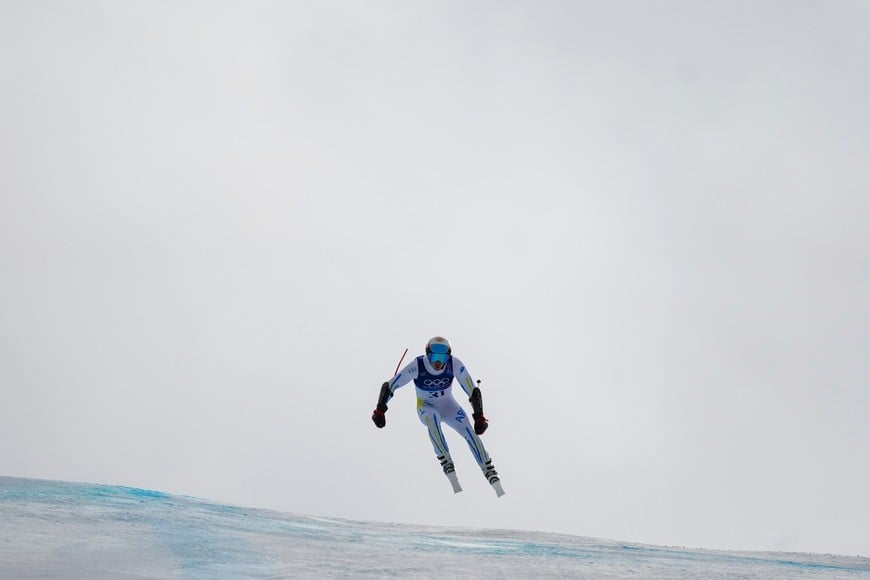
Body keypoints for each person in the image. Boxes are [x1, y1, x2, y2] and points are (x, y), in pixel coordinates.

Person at [371, 336, 505, 497]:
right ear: (427, 355)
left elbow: (472, 390)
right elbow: (390, 385)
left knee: (469, 430)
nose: (438, 362)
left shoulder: (454, 364)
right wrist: (380, 410)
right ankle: (447, 463)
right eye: (434, 357)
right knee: (433, 419)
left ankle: (489, 471)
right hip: (426, 407)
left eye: (443, 358)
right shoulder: (417, 365)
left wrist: (479, 416)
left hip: (449, 407)